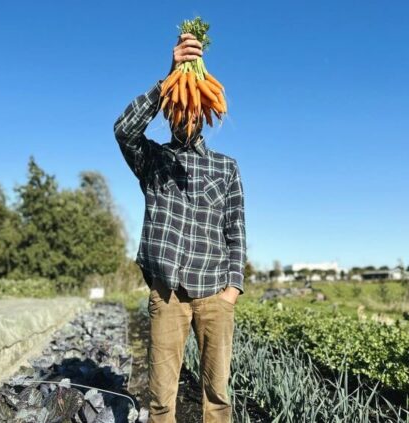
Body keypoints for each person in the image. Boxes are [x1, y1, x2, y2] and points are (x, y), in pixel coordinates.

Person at [113, 33, 246, 423]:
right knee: (160, 397)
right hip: (167, 293)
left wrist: (231, 290)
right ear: (170, 112)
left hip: (214, 293)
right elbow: (124, 129)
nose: (184, 117)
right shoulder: (152, 160)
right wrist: (168, 82)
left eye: (191, 111)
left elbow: (235, 229)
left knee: (217, 396)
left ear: (202, 113)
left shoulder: (225, 167)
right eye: (177, 110)